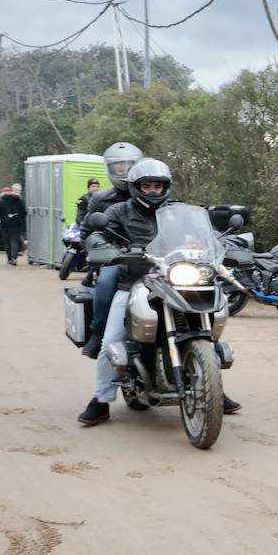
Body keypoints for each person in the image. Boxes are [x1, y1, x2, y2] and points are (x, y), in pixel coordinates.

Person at [76, 158, 241, 426]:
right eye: (147, 185)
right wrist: (105, 247)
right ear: (135, 187)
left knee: (205, 331)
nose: (153, 190)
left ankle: (212, 389)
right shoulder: (119, 211)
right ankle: (101, 400)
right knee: (110, 342)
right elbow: (96, 235)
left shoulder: (178, 211)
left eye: (158, 186)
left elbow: (211, 234)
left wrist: (228, 244)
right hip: (133, 281)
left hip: (173, 279)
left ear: (166, 187)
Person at [80, 143, 143, 359]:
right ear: (110, 169)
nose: (124, 170)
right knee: (106, 280)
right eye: (119, 167)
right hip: (115, 258)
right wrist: (100, 253)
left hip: (151, 256)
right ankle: (98, 333)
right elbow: (87, 232)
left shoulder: (151, 191)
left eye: (129, 165)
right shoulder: (100, 199)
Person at [0, 186, 27, 265]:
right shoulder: (19, 201)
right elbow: (24, 213)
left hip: (5, 225)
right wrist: (20, 219)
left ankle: (9, 258)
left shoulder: (1, 202)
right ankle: (14, 258)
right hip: (16, 225)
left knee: (7, 242)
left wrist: (2, 218)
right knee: (15, 241)